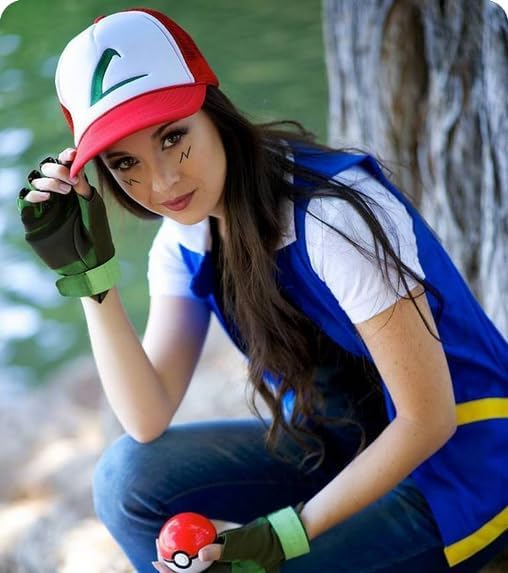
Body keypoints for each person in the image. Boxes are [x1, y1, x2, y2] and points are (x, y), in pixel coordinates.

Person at [18, 7, 507, 573]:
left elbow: (429, 420)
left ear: (213, 110)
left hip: (461, 470)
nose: (162, 181)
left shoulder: (330, 219)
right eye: (125, 162)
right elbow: (146, 417)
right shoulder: (186, 238)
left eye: (173, 137)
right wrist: (90, 275)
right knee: (124, 480)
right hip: (336, 446)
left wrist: (287, 534)